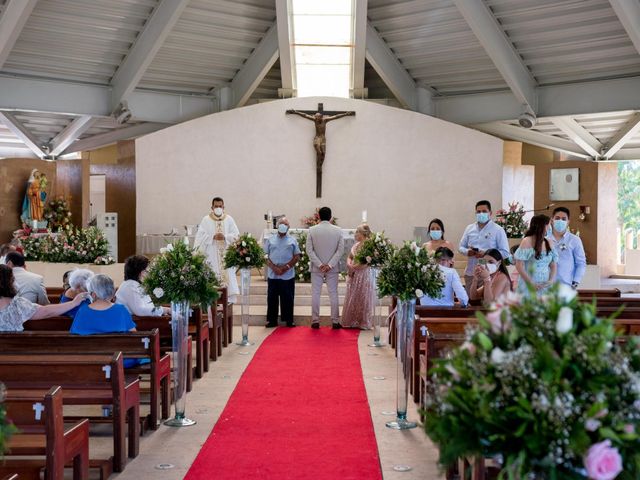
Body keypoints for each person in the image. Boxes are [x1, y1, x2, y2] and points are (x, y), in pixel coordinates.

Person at [71, 275, 146, 368]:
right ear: (112, 292)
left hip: (92, 361)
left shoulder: (82, 311)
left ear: (93, 294)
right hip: (119, 361)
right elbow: (134, 336)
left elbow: (75, 336)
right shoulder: (121, 310)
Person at [0, 265, 90, 331]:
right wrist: (73, 303)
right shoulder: (17, 304)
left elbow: (45, 311)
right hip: (13, 347)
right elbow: (46, 311)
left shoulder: (18, 303)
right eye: (13, 279)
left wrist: (73, 303)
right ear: (9, 283)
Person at [458, 200, 510, 296]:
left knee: (485, 302)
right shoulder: (469, 228)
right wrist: (467, 252)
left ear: (490, 213)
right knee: (471, 301)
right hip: (471, 271)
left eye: (484, 211)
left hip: (489, 272)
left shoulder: (498, 229)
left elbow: (505, 252)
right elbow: (461, 247)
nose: (481, 213)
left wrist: (486, 254)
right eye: (478, 212)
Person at [194, 197, 240, 303]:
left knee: (227, 277)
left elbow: (236, 235)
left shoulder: (229, 219)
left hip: (226, 256)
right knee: (212, 277)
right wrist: (212, 237)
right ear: (212, 207)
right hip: (211, 256)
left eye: (220, 206)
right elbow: (200, 236)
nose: (218, 208)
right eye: (216, 206)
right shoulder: (206, 220)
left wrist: (225, 237)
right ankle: (212, 301)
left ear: (223, 207)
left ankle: (228, 302)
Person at [306, 206, 344, 329]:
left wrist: (320, 264)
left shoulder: (312, 230)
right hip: (332, 268)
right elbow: (340, 250)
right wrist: (330, 264)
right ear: (330, 216)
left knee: (316, 293)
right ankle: (335, 321)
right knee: (333, 293)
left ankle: (315, 320)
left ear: (319, 216)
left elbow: (309, 250)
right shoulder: (338, 230)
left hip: (317, 268)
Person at [264, 217, 300, 328]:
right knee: (272, 298)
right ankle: (272, 320)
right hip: (273, 274)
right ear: (277, 226)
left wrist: (286, 267)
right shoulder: (270, 240)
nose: (283, 225)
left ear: (288, 227)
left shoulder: (292, 240)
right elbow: (265, 256)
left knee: (288, 298)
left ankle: (289, 319)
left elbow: (297, 256)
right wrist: (274, 267)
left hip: (287, 275)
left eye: (285, 224)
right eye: (281, 223)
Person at [341, 224, 375, 329]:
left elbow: (367, 262)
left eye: (357, 232)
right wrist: (349, 264)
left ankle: (363, 322)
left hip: (364, 275)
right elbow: (350, 256)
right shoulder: (356, 245)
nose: (355, 234)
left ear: (363, 234)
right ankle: (352, 320)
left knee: (363, 297)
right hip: (354, 274)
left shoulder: (369, 246)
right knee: (353, 297)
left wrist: (354, 267)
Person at [514, 214, 558, 293]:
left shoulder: (549, 242)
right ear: (542, 226)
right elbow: (519, 265)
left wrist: (551, 280)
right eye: (548, 225)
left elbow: (553, 265)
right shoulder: (527, 240)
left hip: (545, 284)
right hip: (528, 283)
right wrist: (531, 283)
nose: (550, 228)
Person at [547, 207, 586, 289]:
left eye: (563, 219)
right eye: (557, 218)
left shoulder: (574, 240)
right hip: (546, 285)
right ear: (552, 220)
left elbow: (581, 263)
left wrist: (575, 283)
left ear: (568, 222)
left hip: (566, 286)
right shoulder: (544, 239)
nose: (560, 221)